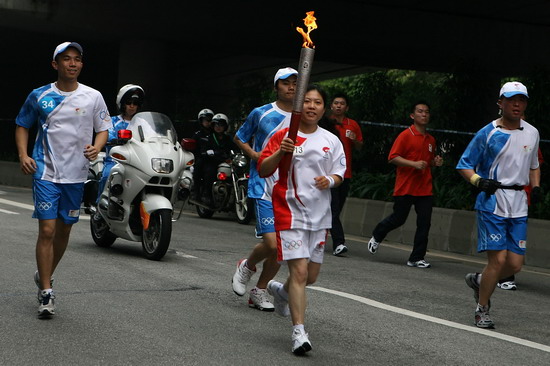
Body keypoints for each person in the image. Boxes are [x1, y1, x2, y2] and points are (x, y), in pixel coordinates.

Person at [15, 42, 111, 317]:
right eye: (66, 59)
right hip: (45, 171)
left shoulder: (93, 96)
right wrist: (23, 155)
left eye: (77, 59)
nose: (72, 63)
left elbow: (103, 128)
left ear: (81, 65)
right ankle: (46, 291)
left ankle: (43, 274)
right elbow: (22, 124)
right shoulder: (40, 95)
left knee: (64, 230)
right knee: (47, 230)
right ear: (55, 65)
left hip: (76, 174)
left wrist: (97, 147)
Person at [258, 84, 346, 355]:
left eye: (317, 102)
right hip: (290, 212)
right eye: (306, 101)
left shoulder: (331, 140)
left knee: (311, 277)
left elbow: (340, 173)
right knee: (299, 272)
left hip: (320, 216)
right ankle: (299, 333)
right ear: (299, 106)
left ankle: (282, 292)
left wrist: (329, 180)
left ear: (323, 108)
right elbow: (263, 169)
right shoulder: (285, 136)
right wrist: (280, 152)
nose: (311, 106)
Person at [457, 81, 541, 328]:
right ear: (500, 103)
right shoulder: (488, 133)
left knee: (515, 264)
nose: (517, 104)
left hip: (519, 203)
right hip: (492, 201)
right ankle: (482, 309)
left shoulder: (532, 132)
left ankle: (481, 280)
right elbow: (464, 164)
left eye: (522, 100)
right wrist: (478, 181)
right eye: (512, 99)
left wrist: (535, 188)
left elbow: (534, 165)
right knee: (499, 260)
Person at [231, 67, 298, 311]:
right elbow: (239, 137)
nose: (291, 87)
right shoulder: (262, 113)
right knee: (271, 243)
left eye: (294, 83)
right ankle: (247, 266)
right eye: (285, 83)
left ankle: (259, 291)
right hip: (263, 184)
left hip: (290, 188)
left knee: (282, 249)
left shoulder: (303, 117)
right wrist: (255, 155)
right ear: (276, 87)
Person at [366, 101, 443, 268]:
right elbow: (392, 157)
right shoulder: (405, 135)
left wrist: (434, 162)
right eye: (420, 111)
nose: (424, 114)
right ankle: (378, 234)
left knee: (425, 222)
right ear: (412, 115)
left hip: (424, 188)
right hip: (406, 186)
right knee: (399, 218)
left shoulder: (431, 139)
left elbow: (427, 161)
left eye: (426, 112)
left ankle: (416, 257)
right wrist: (413, 164)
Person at [497, 147, 544, 291]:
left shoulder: (531, 136)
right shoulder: (497, 133)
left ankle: (501, 274)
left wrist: (535, 186)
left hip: (522, 198)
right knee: (502, 237)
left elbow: (536, 164)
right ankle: (504, 276)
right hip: (500, 196)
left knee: (516, 239)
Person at [328, 93, 363, 256]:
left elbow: (359, 147)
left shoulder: (353, 125)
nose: (338, 106)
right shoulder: (325, 122)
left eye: (342, 103)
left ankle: (321, 235)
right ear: (331, 106)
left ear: (346, 107)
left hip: (345, 173)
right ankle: (339, 243)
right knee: (333, 208)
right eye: (336, 103)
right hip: (328, 173)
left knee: (336, 208)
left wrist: (355, 139)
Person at [98, 84, 145, 197]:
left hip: (139, 163)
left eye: (135, 103)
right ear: (122, 104)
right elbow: (107, 136)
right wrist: (115, 139)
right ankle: (99, 205)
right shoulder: (112, 121)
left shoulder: (144, 123)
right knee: (108, 175)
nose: (132, 106)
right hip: (115, 161)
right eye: (129, 103)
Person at [199, 113, 237, 204]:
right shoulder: (209, 138)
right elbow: (203, 150)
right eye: (216, 125)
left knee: (237, 172)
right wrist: (208, 152)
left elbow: (235, 147)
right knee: (210, 172)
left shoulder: (228, 138)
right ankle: (207, 195)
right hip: (213, 162)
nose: (218, 127)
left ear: (225, 126)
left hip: (226, 161)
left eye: (221, 125)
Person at [191, 108, 214, 202]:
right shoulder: (197, 135)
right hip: (202, 159)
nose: (207, 122)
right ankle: (198, 192)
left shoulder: (216, 134)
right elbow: (192, 148)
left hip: (215, 159)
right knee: (200, 170)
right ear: (201, 121)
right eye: (205, 120)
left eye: (209, 120)